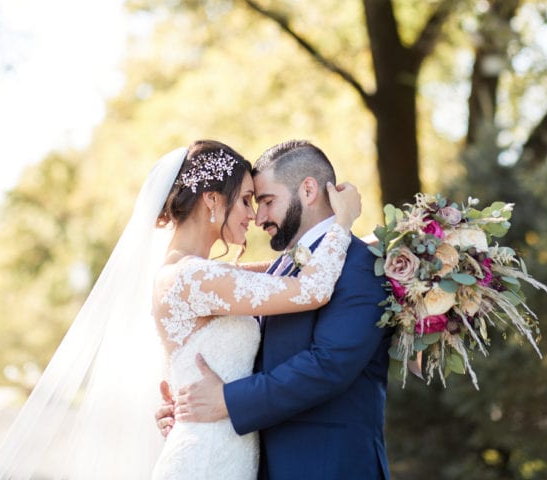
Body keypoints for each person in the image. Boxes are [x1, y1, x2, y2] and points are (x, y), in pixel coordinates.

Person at [0, 141, 360, 480]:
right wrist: (343, 221)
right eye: (246, 199)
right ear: (212, 199)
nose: (252, 215)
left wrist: (377, 247)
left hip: (230, 452)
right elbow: (310, 287)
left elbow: (281, 270)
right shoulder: (193, 278)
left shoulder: (202, 274)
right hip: (205, 460)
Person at [157, 141, 392, 480]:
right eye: (250, 201)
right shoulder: (280, 271)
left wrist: (227, 400)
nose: (257, 217)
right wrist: (183, 401)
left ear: (308, 189)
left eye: (266, 201)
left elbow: (328, 365)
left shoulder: (359, 264)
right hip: (234, 457)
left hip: (328, 467)